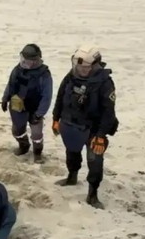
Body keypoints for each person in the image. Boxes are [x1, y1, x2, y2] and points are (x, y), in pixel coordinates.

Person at [50, 44, 118, 207]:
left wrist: (100, 135)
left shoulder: (105, 83)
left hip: (93, 129)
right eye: (78, 66)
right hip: (71, 124)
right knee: (71, 152)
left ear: (95, 66)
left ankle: (92, 194)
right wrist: (56, 118)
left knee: (95, 161)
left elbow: (108, 112)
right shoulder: (71, 76)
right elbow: (60, 97)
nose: (81, 69)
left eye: (85, 67)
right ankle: (72, 177)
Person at [0, 43, 53, 163]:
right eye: (22, 59)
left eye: (27, 61)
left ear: (35, 61)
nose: (24, 63)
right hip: (17, 105)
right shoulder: (17, 70)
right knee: (17, 130)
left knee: (37, 134)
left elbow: (47, 96)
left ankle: (37, 153)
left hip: (35, 108)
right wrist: (5, 98)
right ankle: (23, 145)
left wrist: (39, 114)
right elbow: (10, 85)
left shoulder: (44, 75)